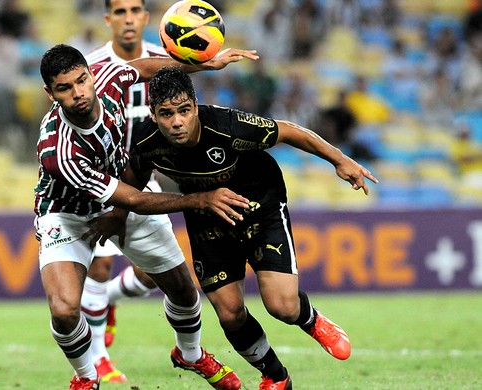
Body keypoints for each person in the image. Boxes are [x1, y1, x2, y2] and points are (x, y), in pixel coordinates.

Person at [121, 67, 379, 389]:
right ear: (153, 113)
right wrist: (112, 217)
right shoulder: (146, 142)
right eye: (166, 113)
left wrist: (340, 160)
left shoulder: (229, 126)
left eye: (184, 111)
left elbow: (289, 131)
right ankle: (275, 375)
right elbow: (129, 192)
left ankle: (311, 320)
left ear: (196, 106)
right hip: (208, 217)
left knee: (282, 306)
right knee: (229, 313)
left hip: (261, 207)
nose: (176, 122)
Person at [35, 44, 258, 390]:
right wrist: (200, 199)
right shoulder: (59, 150)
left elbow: (145, 68)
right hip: (68, 216)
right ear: (50, 93)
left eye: (82, 80)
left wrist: (204, 64)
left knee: (183, 291)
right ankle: (86, 377)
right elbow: (136, 200)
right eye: (65, 88)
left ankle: (191, 354)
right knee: (64, 310)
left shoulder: (108, 78)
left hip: (122, 192)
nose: (79, 93)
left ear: (91, 74)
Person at [79, 1, 171, 382]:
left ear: (146, 18)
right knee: (99, 264)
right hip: (102, 179)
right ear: (108, 20)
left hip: (146, 179)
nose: (128, 18)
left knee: (158, 274)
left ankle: (111, 299)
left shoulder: (166, 63)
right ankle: (99, 358)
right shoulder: (90, 67)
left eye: (135, 10)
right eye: (120, 11)